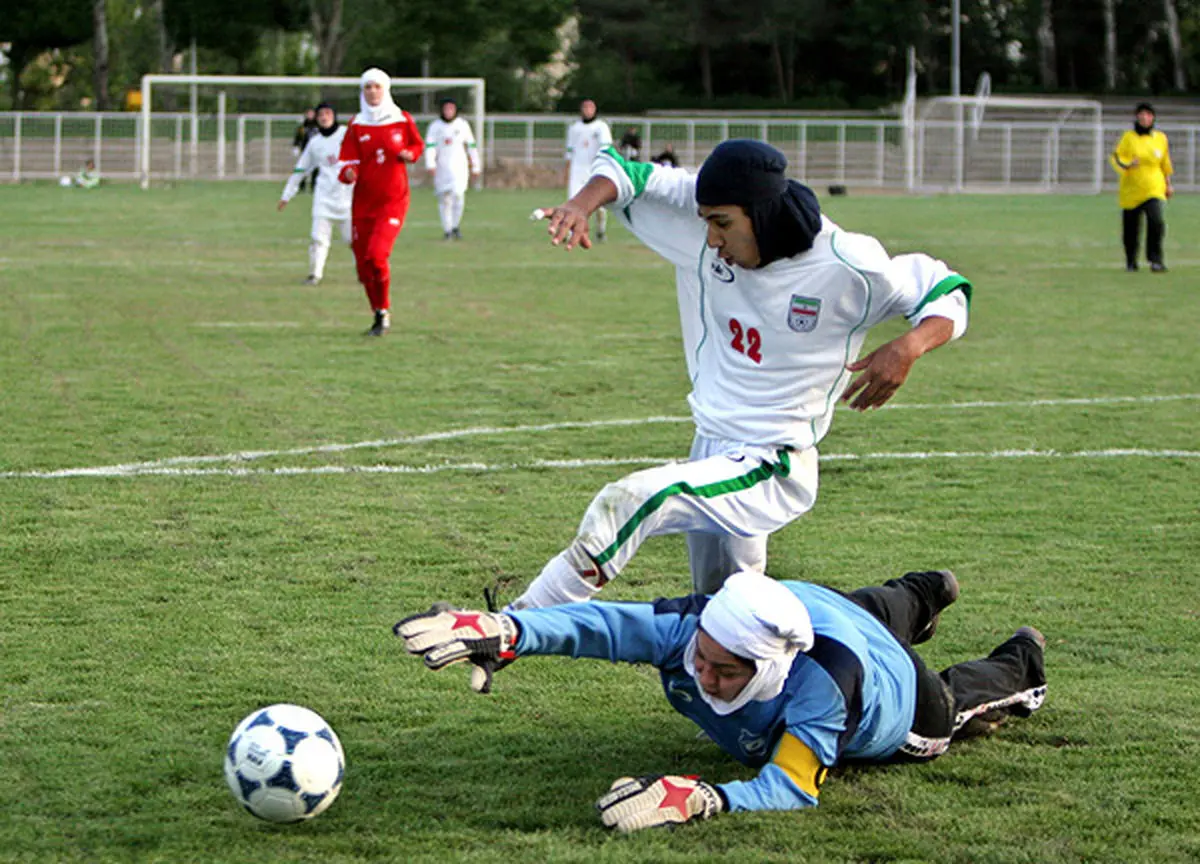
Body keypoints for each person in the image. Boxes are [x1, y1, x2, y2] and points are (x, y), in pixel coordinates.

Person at [506, 140, 971, 611]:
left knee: (632, 499)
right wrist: (580, 204)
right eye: (706, 220)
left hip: (772, 462)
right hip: (710, 445)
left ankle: (513, 626)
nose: (710, 239)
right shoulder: (707, 217)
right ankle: (898, 608)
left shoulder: (848, 265)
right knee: (726, 619)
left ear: (763, 214)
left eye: (722, 224)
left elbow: (944, 290)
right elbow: (627, 173)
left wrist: (910, 345)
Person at [396, 568, 1047, 832]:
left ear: (768, 667)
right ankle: (922, 593)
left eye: (721, 671)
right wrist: (508, 632)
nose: (699, 673)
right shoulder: (692, 630)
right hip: (821, 608)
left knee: (951, 703)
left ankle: (1021, 657)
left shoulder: (821, 688)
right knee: (865, 608)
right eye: (697, 657)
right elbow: (597, 626)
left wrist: (704, 798)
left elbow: (793, 785)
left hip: (900, 698)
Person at [337, 68, 425, 336]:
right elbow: (346, 163)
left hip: (393, 200)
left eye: (377, 87)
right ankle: (379, 313)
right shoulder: (357, 124)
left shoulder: (401, 119)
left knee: (376, 256)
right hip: (363, 202)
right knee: (364, 266)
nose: (372, 92)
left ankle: (384, 307)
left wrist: (410, 154)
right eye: (367, 88)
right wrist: (349, 173)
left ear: (385, 89)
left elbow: (417, 145)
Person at [278, 102, 352, 286]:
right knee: (318, 238)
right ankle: (314, 275)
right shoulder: (315, 143)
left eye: (328, 113)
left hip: (348, 198)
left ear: (334, 115)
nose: (324, 117)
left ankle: (366, 274)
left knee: (354, 241)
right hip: (323, 198)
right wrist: (287, 194)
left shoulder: (348, 134)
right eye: (321, 114)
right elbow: (301, 170)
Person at [1110, 102, 1174, 273]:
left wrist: (1168, 184)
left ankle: (1156, 260)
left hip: (1153, 187)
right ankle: (1131, 260)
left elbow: (1165, 163)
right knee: (1131, 228)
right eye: (1141, 114)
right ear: (1137, 117)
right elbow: (1117, 157)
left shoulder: (1160, 138)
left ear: (1152, 118)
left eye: (1148, 114)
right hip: (1132, 189)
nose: (1144, 118)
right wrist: (1128, 164)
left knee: (1156, 221)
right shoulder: (1128, 137)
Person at [424, 97, 482, 241]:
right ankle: (447, 229)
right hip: (442, 167)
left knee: (458, 196)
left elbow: (471, 146)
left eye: (451, 109)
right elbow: (430, 147)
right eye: (446, 109)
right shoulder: (435, 126)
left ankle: (456, 225)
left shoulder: (462, 125)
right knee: (445, 199)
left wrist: (476, 165)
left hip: (459, 167)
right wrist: (430, 164)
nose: (449, 111)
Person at [564, 99, 613, 242]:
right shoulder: (574, 128)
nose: (587, 110)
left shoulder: (601, 127)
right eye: (585, 107)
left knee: (599, 206)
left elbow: (606, 149)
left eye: (590, 108)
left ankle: (600, 230)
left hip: (595, 170)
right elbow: (569, 152)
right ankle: (570, 233)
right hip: (577, 171)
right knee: (573, 202)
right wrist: (566, 172)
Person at [292, 108, 318, 193]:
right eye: (309, 114)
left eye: (312, 113)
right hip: (305, 151)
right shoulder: (302, 126)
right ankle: (301, 187)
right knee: (302, 169)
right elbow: (298, 137)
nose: (310, 115)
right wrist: (296, 146)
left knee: (315, 170)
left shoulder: (318, 126)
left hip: (316, 151)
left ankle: (314, 187)